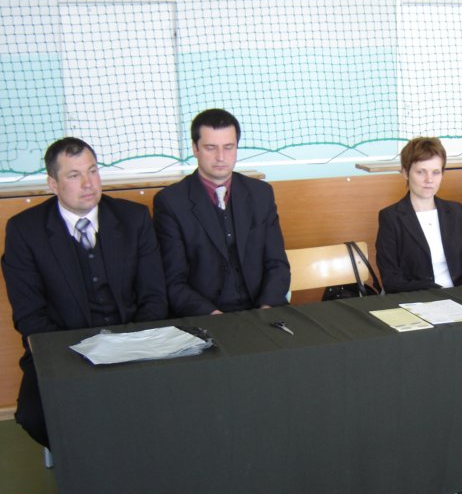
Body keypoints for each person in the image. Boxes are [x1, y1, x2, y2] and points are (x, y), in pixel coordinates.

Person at [2, 137, 167, 448]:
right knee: (34, 416)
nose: (89, 183)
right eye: (74, 175)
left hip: (132, 343)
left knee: (173, 399)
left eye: (92, 171)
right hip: (62, 349)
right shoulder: (25, 231)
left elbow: (154, 297)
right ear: (53, 184)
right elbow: (29, 316)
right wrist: (80, 353)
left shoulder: (133, 218)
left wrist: (130, 345)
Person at [153, 109, 290, 316]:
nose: (220, 157)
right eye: (210, 148)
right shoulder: (171, 202)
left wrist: (266, 310)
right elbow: (173, 281)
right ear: (195, 149)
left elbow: (277, 264)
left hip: (262, 312)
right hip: (204, 317)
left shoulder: (261, 194)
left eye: (228, 147)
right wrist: (215, 317)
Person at [376, 137, 462, 293]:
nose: (429, 180)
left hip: (460, 294)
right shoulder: (391, 217)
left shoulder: (455, 211)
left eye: (436, 172)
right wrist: (436, 292)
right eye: (421, 172)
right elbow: (391, 280)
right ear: (405, 173)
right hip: (418, 299)